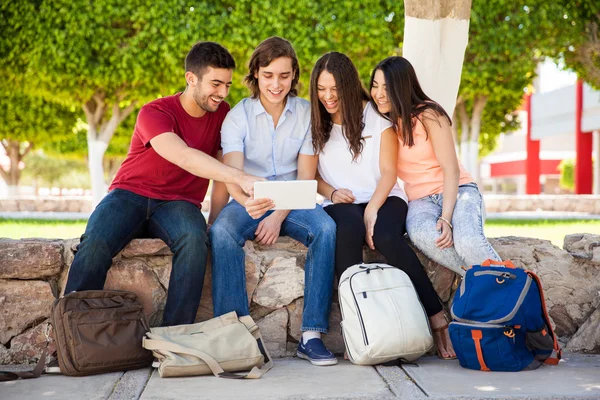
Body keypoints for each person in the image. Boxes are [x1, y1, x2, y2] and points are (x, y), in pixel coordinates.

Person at [64, 41, 262, 327]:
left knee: (195, 242)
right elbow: (183, 156)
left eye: (228, 85)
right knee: (95, 242)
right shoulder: (155, 112)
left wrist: (216, 220)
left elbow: (221, 171)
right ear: (191, 78)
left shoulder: (223, 115)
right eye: (216, 84)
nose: (222, 93)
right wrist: (241, 177)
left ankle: (174, 338)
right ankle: (71, 334)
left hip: (179, 204)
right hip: (129, 194)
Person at [310, 52, 456, 360]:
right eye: (321, 89)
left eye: (334, 89)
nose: (328, 96)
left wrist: (372, 210)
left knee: (387, 236)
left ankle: (436, 316)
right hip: (341, 202)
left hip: (384, 196)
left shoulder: (376, 117)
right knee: (347, 229)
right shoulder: (317, 122)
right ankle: (362, 326)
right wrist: (332, 192)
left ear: (349, 85)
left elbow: (390, 171)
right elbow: (314, 177)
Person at [209, 37, 338, 366]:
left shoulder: (308, 114)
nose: (276, 84)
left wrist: (277, 217)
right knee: (222, 232)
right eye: (268, 75)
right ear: (256, 74)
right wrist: (246, 203)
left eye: (283, 75)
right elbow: (233, 174)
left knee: (326, 228)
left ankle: (310, 336)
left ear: (294, 74)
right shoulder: (237, 117)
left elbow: (306, 179)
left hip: (294, 199)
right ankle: (237, 335)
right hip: (249, 196)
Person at [369, 56, 501, 276]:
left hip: (458, 191)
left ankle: (512, 289)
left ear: (401, 87)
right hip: (420, 202)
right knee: (424, 236)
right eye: (375, 86)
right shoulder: (384, 124)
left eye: (387, 87)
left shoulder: (429, 115)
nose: (379, 94)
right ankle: (479, 283)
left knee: (467, 241)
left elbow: (451, 169)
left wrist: (446, 218)